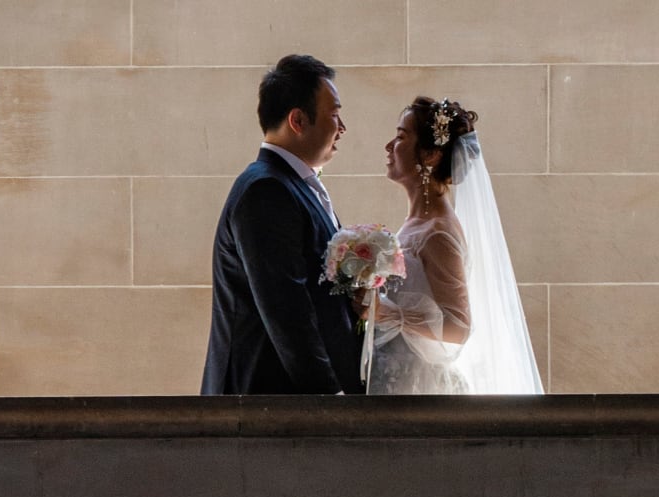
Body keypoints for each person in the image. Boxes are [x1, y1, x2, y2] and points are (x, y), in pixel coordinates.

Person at [200, 55, 363, 395]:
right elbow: (286, 309)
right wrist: (329, 398)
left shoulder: (292, 184)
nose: (342, 127)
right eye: (334, 114)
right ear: (298, 120)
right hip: (268, 400)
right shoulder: (266, 190)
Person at [365, 97, 544, 395]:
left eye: (400, 137)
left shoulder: (438, 233)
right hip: (394, 378)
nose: (388, 146)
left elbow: (458, 326)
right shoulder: (416, 223)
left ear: (431, 155)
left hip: (417, 388)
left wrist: (389, 313)